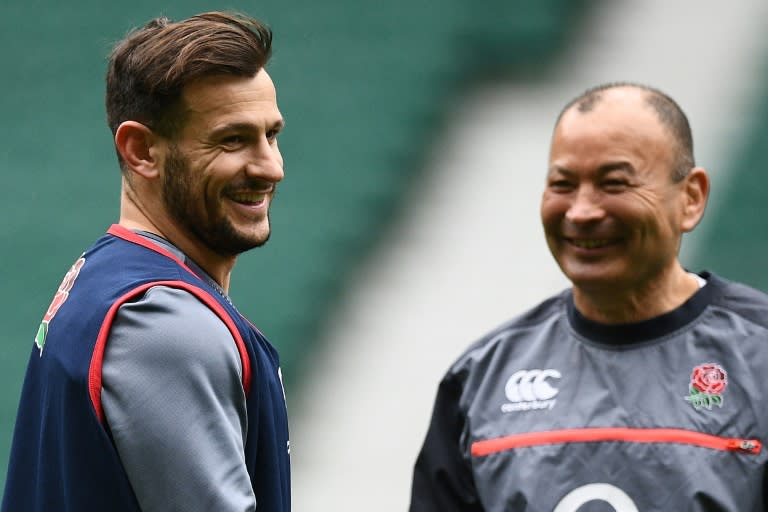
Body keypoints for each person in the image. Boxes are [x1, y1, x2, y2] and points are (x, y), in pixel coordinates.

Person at [409, 83, 768, 511]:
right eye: (562, 184)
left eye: (613, 183)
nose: (581, 211)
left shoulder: (758, 355)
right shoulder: (481, 379)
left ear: (690, 198)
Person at [2, 12, 290, 512]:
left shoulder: (103, 275)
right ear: (141, 151)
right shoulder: (162, 323)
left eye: (272, 135)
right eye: (233, 139)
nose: (271, 167)